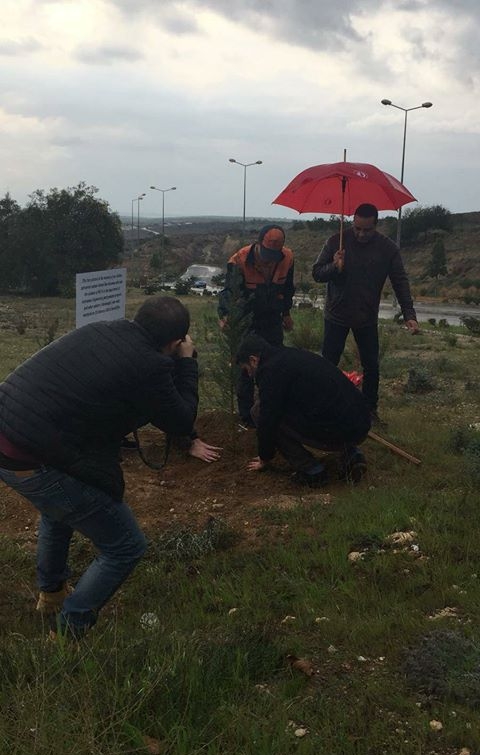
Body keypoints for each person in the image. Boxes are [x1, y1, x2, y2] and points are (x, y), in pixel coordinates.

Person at [0, 296, 199, 639]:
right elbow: (181, 420)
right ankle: (70, 629)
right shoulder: (151, 365)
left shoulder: (103, 329)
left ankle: (51, 596)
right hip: (34, 456)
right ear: (173, 341)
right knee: (126, 546)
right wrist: (186, 364)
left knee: (60, 510)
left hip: (10, 436)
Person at [312, 203, 419, 419]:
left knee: (371, 365)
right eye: (357, 228)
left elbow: (400, 281)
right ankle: (322, 407)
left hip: (366, 316)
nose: (361, 234)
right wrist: (334, 267)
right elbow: (317, 273)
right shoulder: (336, 241)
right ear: (353, 222)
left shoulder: (387, 248)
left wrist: (409, 314)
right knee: (327, 364)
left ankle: (369, 410)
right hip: (336, 314)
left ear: (376, 225)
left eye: (366, 230)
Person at [237, 334, 371, 486]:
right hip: (361, 421)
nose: (249, 375)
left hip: (340, 429)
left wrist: (264, 457)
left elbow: (268, 419)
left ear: (253, 360)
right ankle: (352, 454)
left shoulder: (270, 372)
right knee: (326, 408)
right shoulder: (290, 356)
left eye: (247, 369)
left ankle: (312, 470)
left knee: (259, 411)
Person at [218, 224, 295, 427]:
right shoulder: (239, 260)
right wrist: (226, 315)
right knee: (246, 368)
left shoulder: (287, 258)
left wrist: (286, 312)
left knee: (274, 364)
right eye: (267, 253)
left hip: (272, 319)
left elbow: (288, 288)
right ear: (258, 243)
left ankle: (272, 410)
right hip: (247, 320)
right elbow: (229, 292)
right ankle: (247, 418)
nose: (270, 259)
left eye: (274, 254)